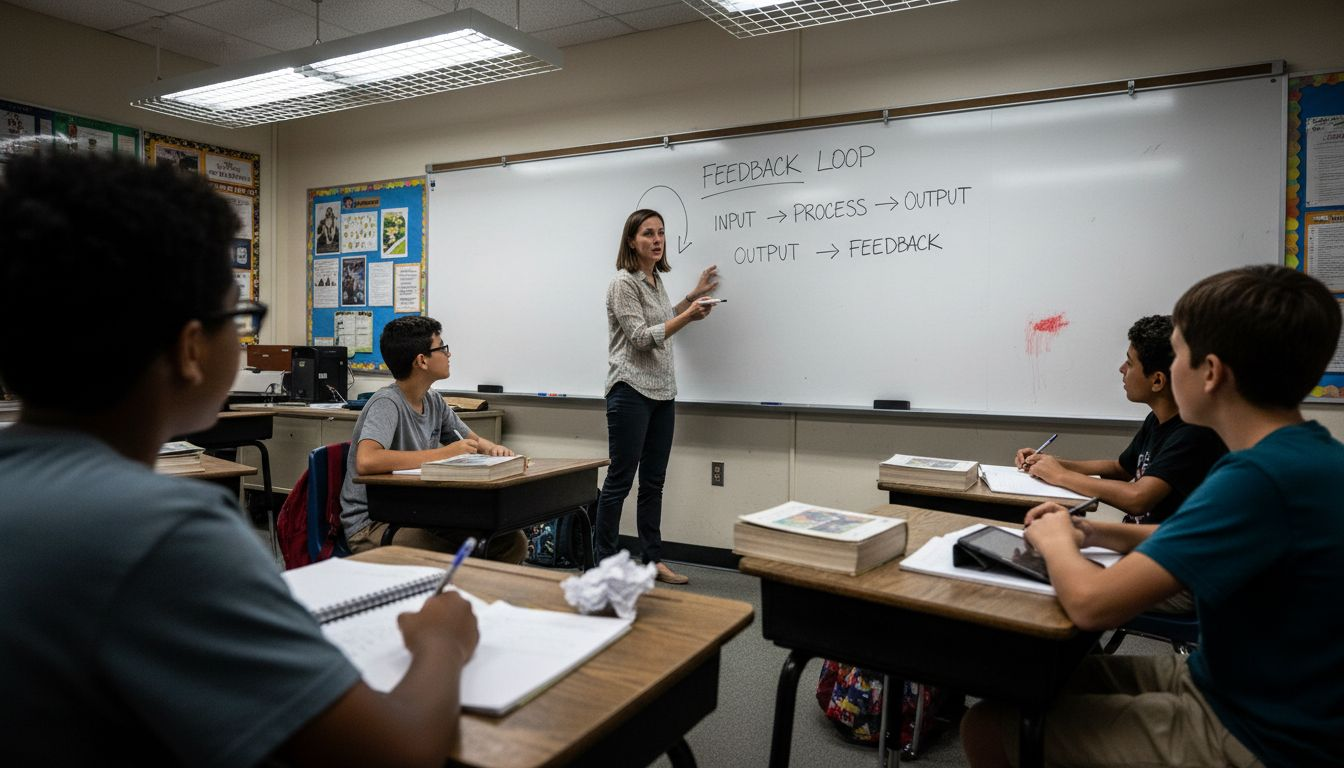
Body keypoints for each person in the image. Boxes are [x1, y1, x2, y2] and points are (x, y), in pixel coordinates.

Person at [0, 151, 479, 766]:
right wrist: (443, 641)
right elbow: (399, 752)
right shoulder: (166, 531)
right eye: (239, 318)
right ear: (191, 349)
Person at [962, 265, 1344, 768]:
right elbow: (1188, 535)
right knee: (1030, 680)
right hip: (1229, 680)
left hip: (1261, 732)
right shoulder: (1303, 456)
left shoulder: (1256, 479)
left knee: (988, 726)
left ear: (1210, 373)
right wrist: (1091, 530)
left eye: (1179, 353)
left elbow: (1092, 606)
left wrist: (1055, 540)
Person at [1015, 315, 1227, 613]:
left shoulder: (1194, 433)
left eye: (1130, 362)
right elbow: (1122, 469)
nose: (1122, 369)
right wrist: (1055, 464)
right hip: (1143, 548)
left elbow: (1138, 498)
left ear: (1157, 380)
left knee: (1043, 578)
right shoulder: (1158, 419)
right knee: (1037, 563)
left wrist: (1061, 476)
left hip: (1175, 572)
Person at [594, 208, 719, 585]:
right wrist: (688, 317)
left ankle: (652, 561)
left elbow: (661, 319)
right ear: (632, 241)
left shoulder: (654, 280)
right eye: (648, 233)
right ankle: (604, 567)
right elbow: (640, 338)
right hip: (630, 391)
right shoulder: (623, 283)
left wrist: (692, 298)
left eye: (661, 232)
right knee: (620, 481)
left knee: (653, 483)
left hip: (663, 393)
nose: (657, 239)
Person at [339, 315, 528, 563]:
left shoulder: (433, 400)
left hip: (417, 513)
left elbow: (471, 440)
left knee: (510, 542)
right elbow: (367, 461)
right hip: (374, 524)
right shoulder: (386, 403)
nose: (448, 354)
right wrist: (444, 453)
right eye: (442, 348)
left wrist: (494, 450)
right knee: (462, 554)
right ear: (422, 360)